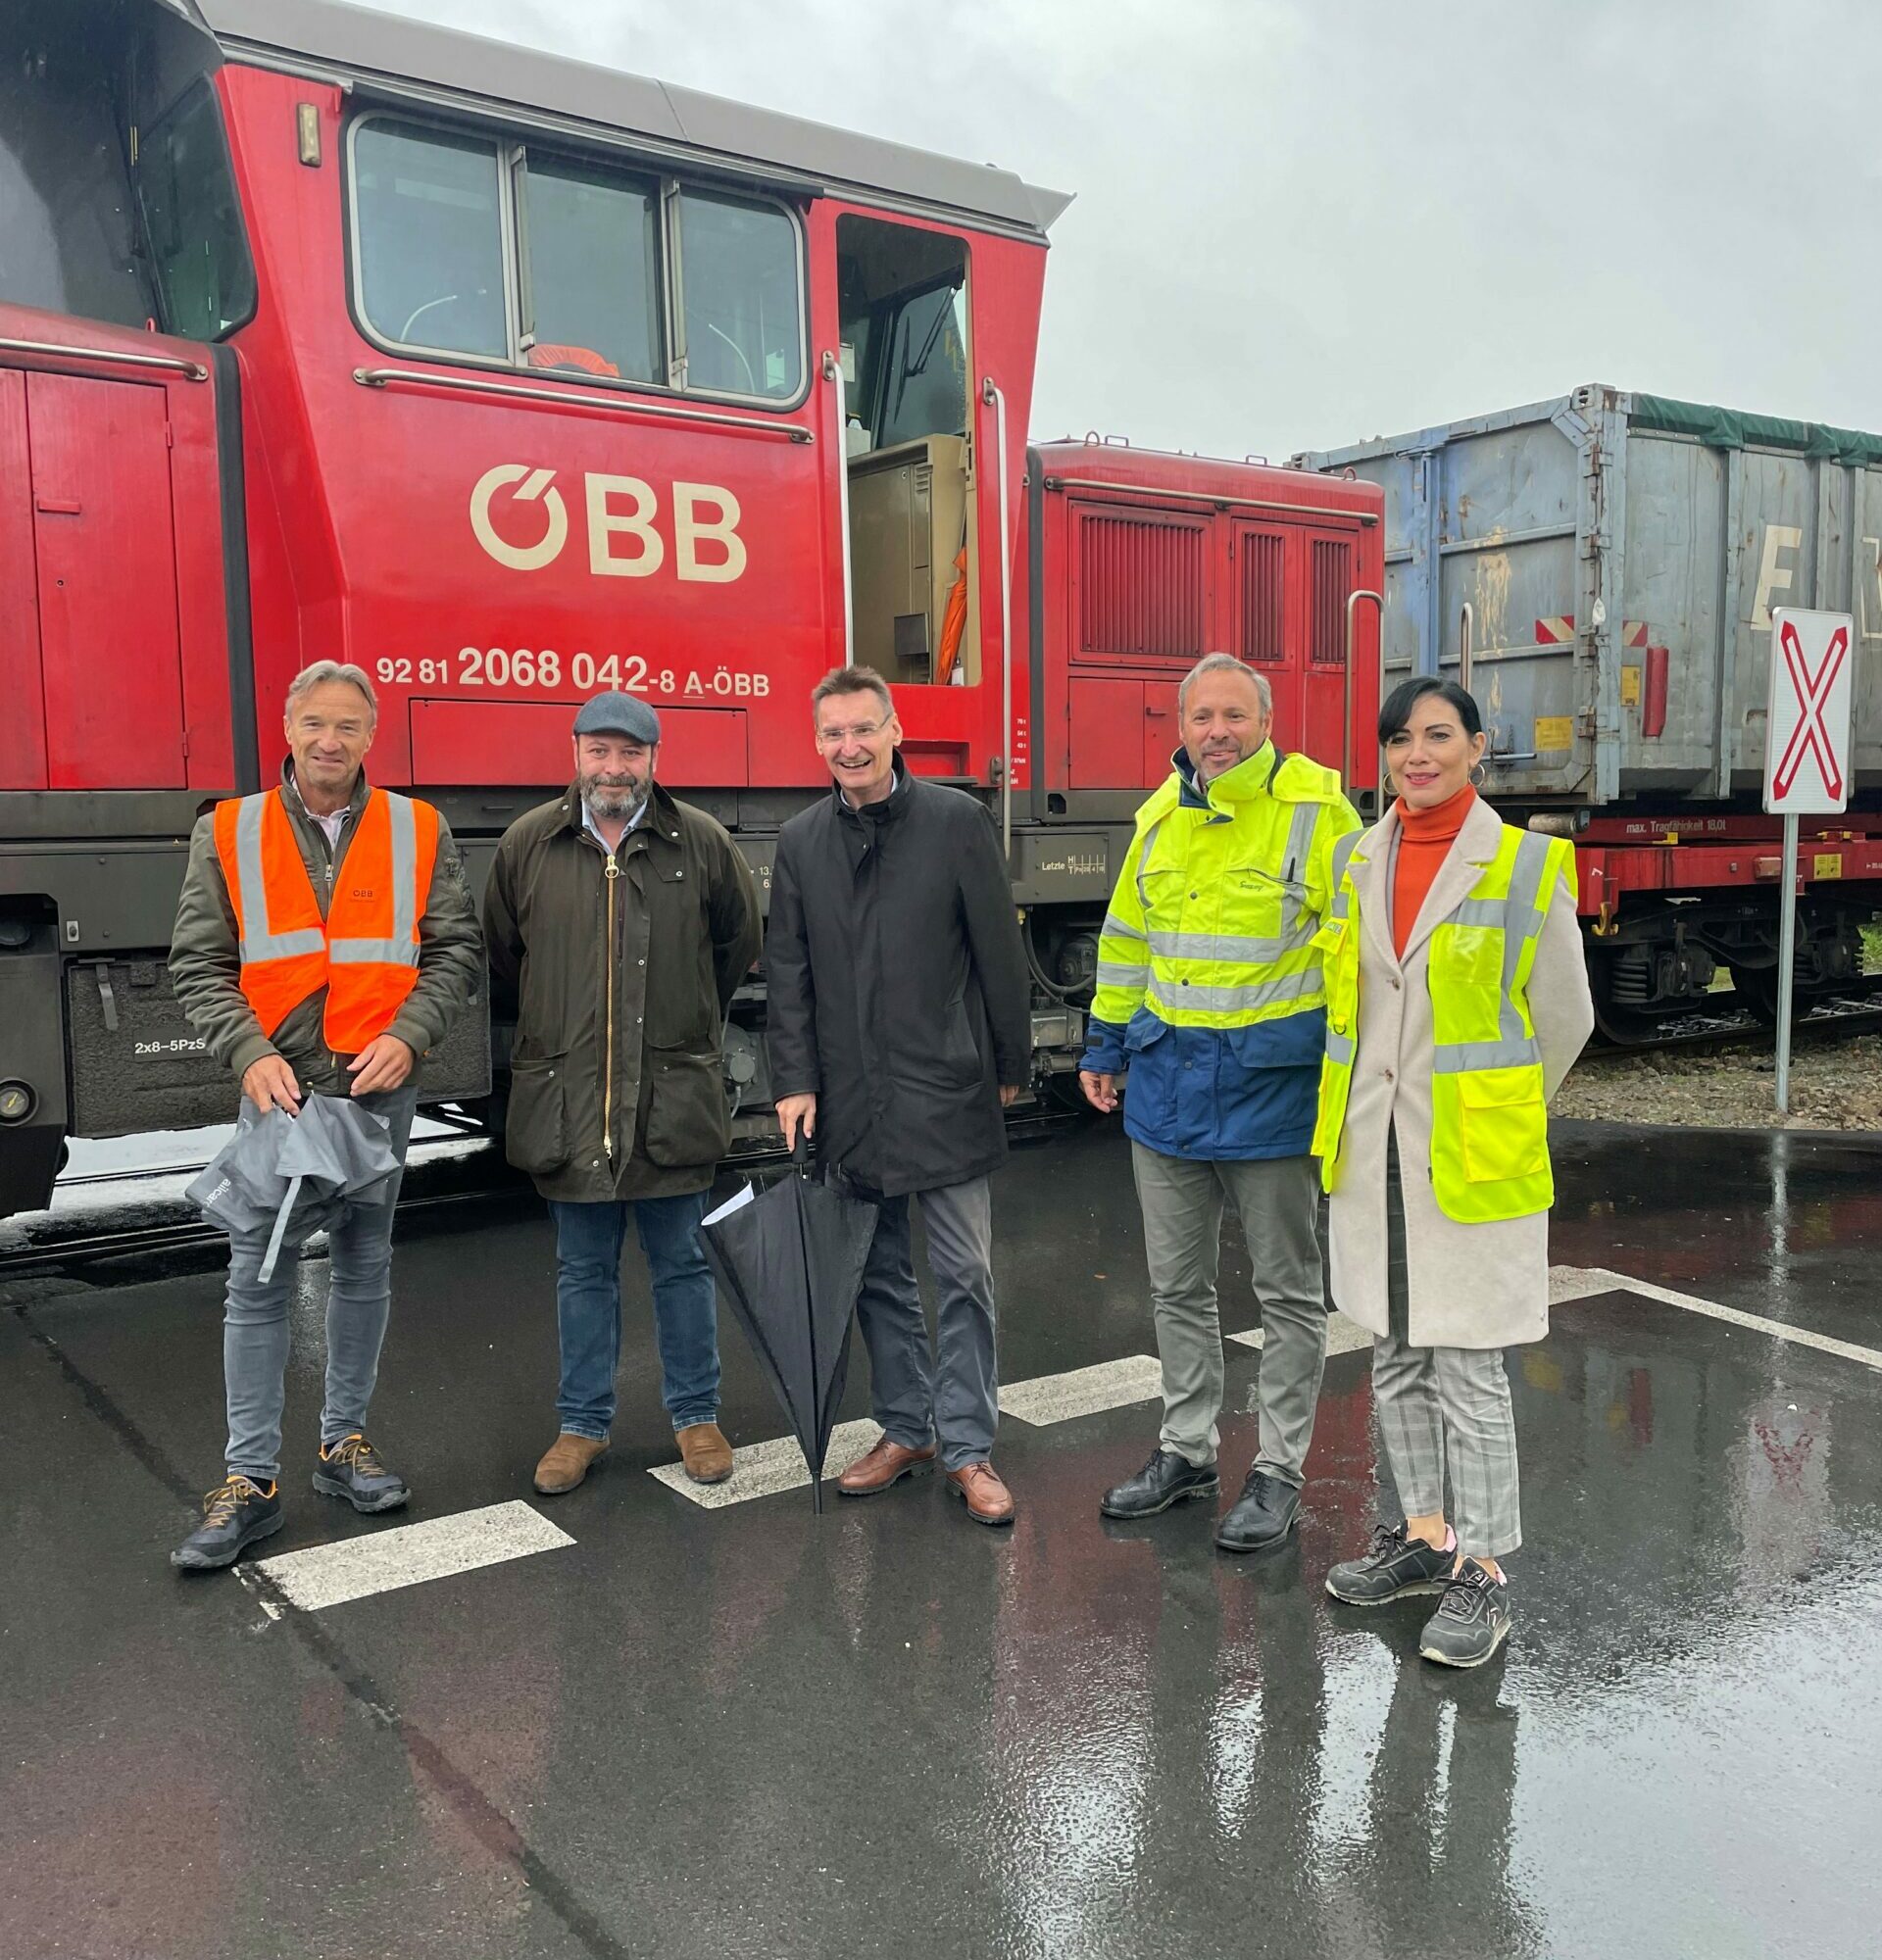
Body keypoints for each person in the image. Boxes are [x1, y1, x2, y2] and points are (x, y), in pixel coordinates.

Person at [168, 662, 482, 1570]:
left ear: (372, 733)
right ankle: (250, 1480)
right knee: (256, 1276)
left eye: (348, 725)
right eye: (315, 724)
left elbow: (453, 950)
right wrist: (251, 1054)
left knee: (363, 1261)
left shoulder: (417, 828)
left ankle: (344, 1445)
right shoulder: (228, 830)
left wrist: (413, 1038)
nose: (331, 741)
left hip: (379, 1088)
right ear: (289, 725)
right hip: (281, 1091)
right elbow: (199, 964)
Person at [1317, 677, 1592, 1666]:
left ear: (1479, 747)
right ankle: (1424, 1537)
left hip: (1469, 1157)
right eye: (1399, 739)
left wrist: (1493, 1109)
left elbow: (1564, 1018)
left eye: (1438, 735)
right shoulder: (1358, 855)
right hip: (1372, 1152)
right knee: (1393, 1350)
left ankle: (1484, 1571)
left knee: (1469, 1367)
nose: (1416, 754)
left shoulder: (1523, 863)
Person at [1080, 653, 1360, 1551]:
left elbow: (1354, 960)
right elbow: (1126, 943)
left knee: (1287, 1294)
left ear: (1267, 721)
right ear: (1181, 726)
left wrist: (1347, 1075)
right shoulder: (1158, 819)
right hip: (1164, 1089)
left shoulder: (1321, 813)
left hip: (1270, 1092)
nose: (1217, 732)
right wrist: (1105, 1041)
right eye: (1201, 717)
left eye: (1234, 715)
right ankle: (1186, 1450)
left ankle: (1277, 1471)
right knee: (1177, 1290)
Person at [766, 666, 1030, 1525]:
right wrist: (795, 1081)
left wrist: (1008, 1063)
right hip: (850, 1098)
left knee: (963, 1274)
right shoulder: (801, 841)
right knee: (877, 1276)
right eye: (833, 733)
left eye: (864, 729)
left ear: (895, 730)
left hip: (944, 1087)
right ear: (816, 744)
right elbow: (790, 974)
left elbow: (997, 951)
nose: (850, 746)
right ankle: (907, 1426)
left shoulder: (957, 822)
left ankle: (969, 1446)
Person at [483, 694, 761, 1495]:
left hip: (670, 1096)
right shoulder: (529, 844)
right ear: (574, 750)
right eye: (600, 751)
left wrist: (677, 1030)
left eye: (630, 753)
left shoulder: (701, 844)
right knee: (582, 1270)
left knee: (681, 1264)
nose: (614, 768)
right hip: (571, 1098)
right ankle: (582, 1426)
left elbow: (737, 945)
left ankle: (696, 1416)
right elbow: (508, 952)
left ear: (654, 758)